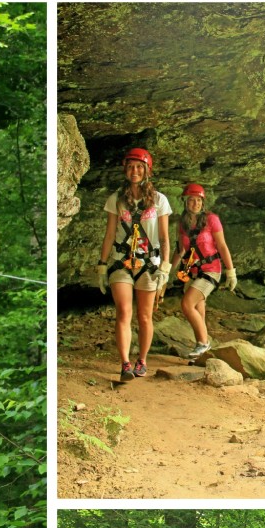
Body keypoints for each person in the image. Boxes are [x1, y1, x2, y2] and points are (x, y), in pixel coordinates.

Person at [96, 148, 171, 381]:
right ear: (125, 170)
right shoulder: (115, 199)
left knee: (145, 316)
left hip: (149, 263)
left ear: (147, 170)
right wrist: (101, 264)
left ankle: (143, 360)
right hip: (121, 263)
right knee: (123, 313)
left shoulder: (159, 200)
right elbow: (109, 234)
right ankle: (125, 363)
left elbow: (165, 237)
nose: (134, 171)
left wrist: (165, 267)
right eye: (130, 167)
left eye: (139, 167)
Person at [168, 183, 237, 359]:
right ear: (185, 202)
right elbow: (180, 250)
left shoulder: (211, 219)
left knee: (187, 304)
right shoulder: (182, 224)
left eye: (199, 200)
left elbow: (222, 245)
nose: (195, 203)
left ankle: (203, 343)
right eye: (192, 200)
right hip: (193, 272)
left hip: (211, 270)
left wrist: (230, 271)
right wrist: (166, 270)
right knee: (198, 311)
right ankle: (202, 353)